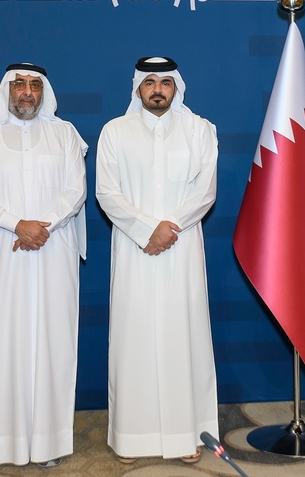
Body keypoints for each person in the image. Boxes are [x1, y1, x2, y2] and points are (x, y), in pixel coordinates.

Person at [0, 63, 87, 468]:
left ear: (43, 91)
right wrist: (17, 224)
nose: (27, 92)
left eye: (34, 85)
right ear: (6, 90)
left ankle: (48, 444)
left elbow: (76, 190)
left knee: (53, 342)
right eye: (19, 84)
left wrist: (42, 227)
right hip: (1, 254)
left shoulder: (64, 134)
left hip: (53, 251)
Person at [96, 57, 218, 464]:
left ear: (176, 87)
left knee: (184, 335)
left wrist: (170, 227)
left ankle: (188, 434)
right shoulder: (115, 131)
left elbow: (206, 191)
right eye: (149, 82)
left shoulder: (200, 130)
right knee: (134, 338)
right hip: (135, 249)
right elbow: (107, 192)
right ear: (138, 88)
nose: (157, 89)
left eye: (165, 82)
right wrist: (147, 229)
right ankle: (131, 437)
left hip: (181, 248)